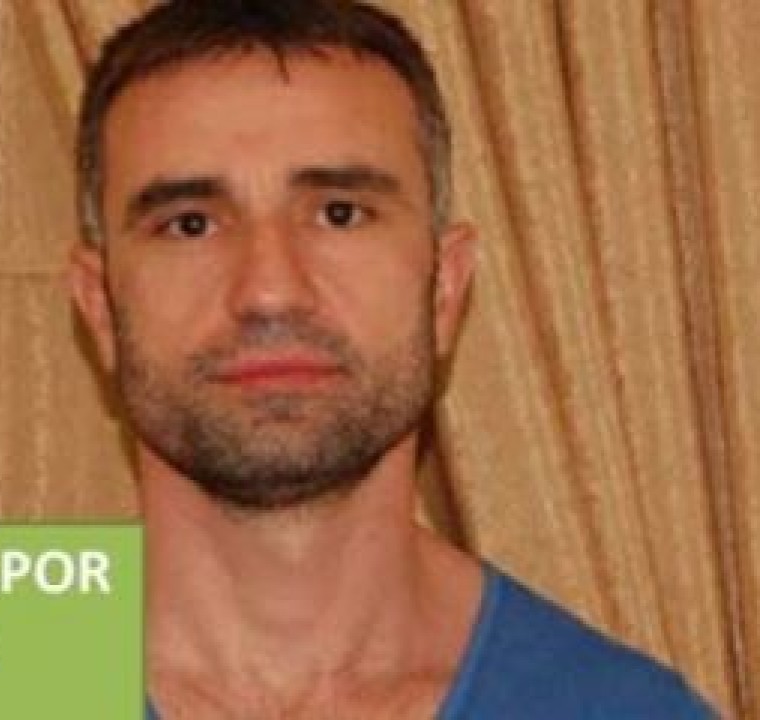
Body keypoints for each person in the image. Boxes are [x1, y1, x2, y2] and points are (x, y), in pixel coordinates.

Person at [65, 1, 718, 718]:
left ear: (445, 288)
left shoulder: (625, 710)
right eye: (190, 225)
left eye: (339, 213)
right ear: (99, 306)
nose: (270, 291)